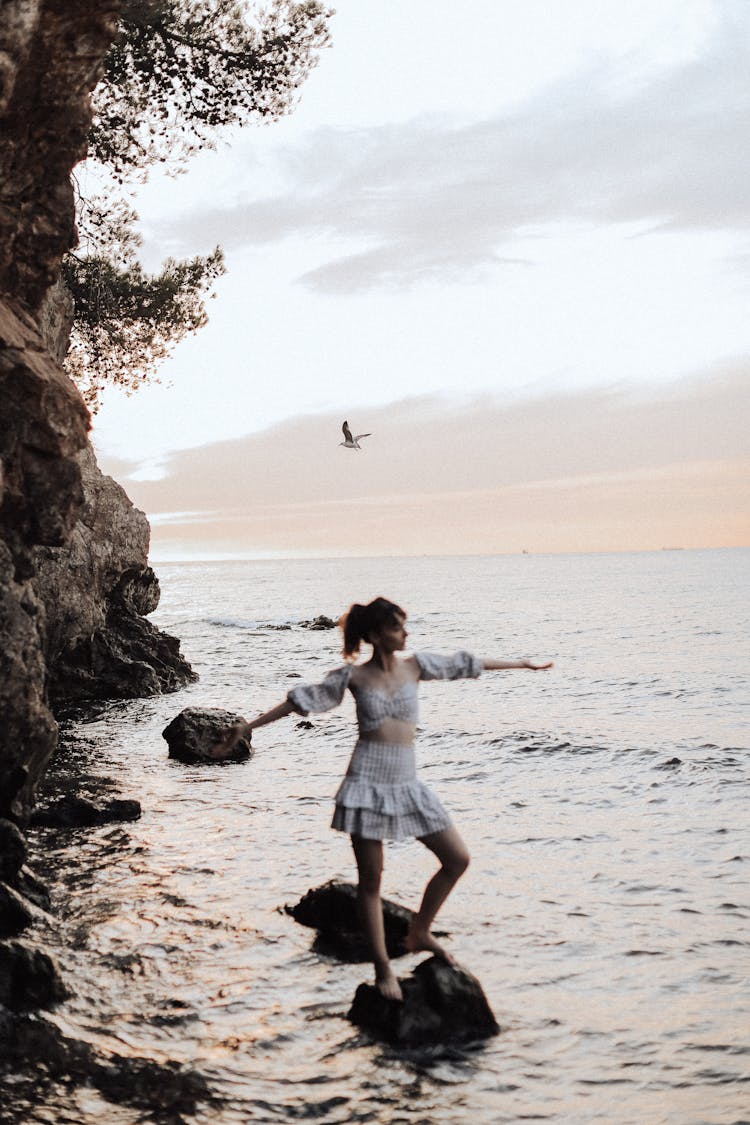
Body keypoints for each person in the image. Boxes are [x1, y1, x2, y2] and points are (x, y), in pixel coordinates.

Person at [211, 596, 552, 1001]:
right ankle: (382, 969)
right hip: (367, 783)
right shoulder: (353, 678)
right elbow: (301, 699)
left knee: (457, 859)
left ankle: (420, 932)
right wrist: (248, 726)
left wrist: (521, 664)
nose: (405, 633)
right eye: (396, 627)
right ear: (374, 634)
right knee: (371, 883)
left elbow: (467, 663)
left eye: (404, 626)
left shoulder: (417, 666)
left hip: (407, 783)